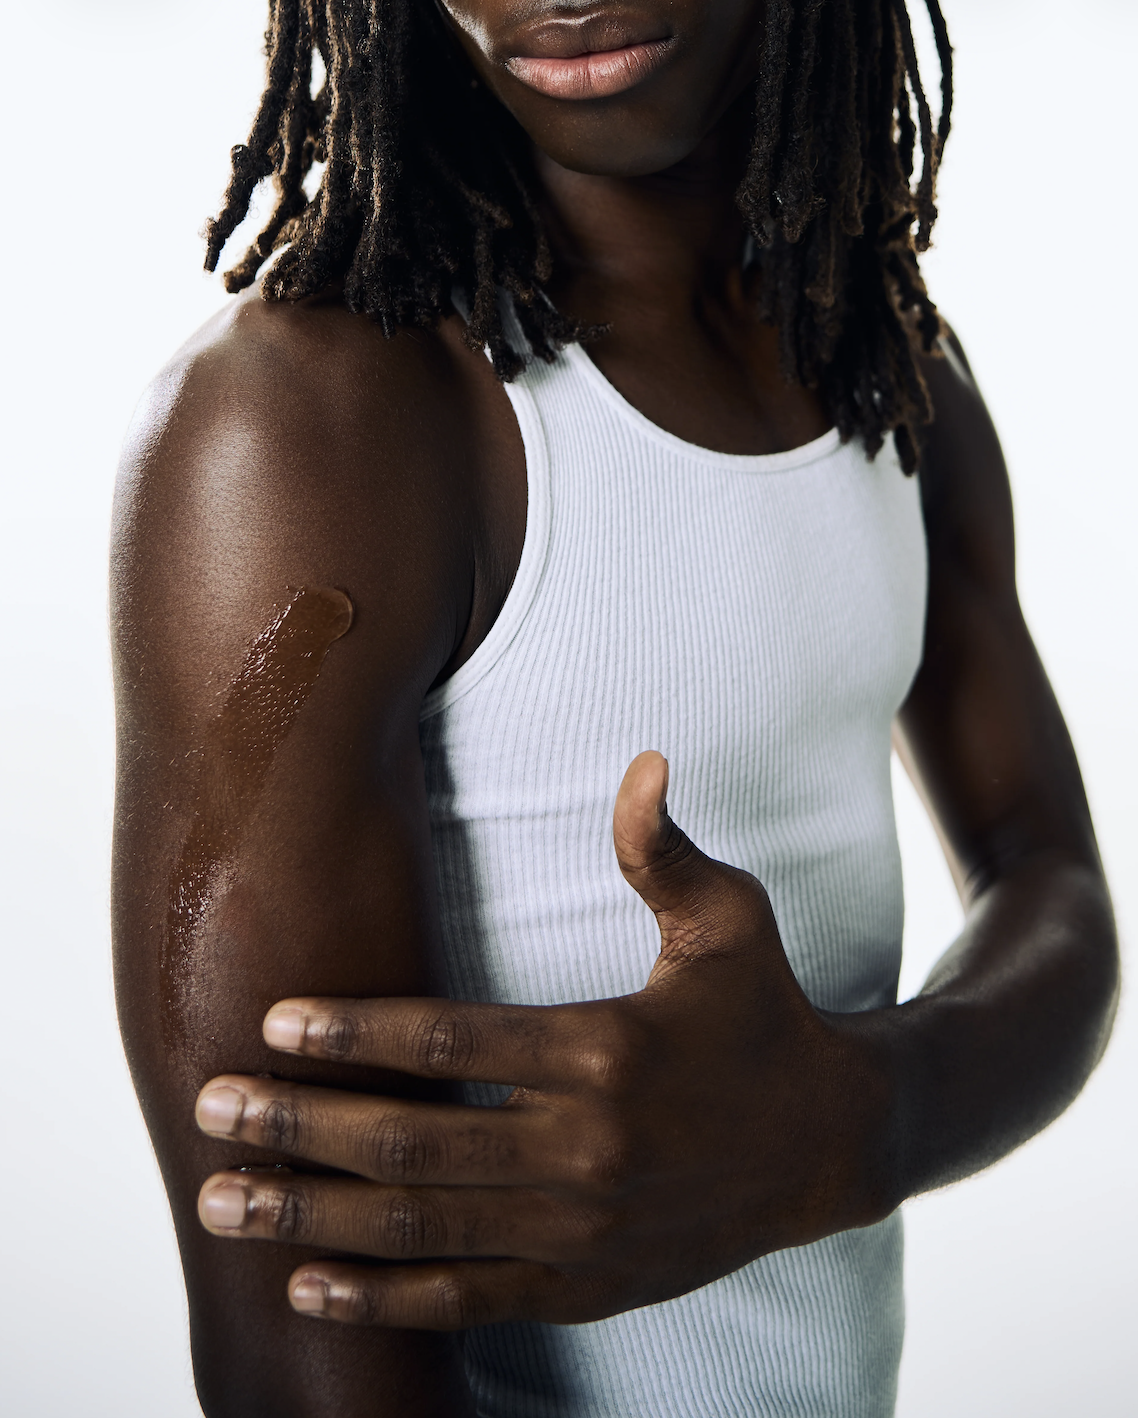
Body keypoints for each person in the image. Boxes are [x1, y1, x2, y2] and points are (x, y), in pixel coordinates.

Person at [110, 1, 1119, 1415]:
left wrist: (860, 1117)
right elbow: (299, 1332)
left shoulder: (884, 363)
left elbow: (1048, 876)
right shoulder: (308, 424)